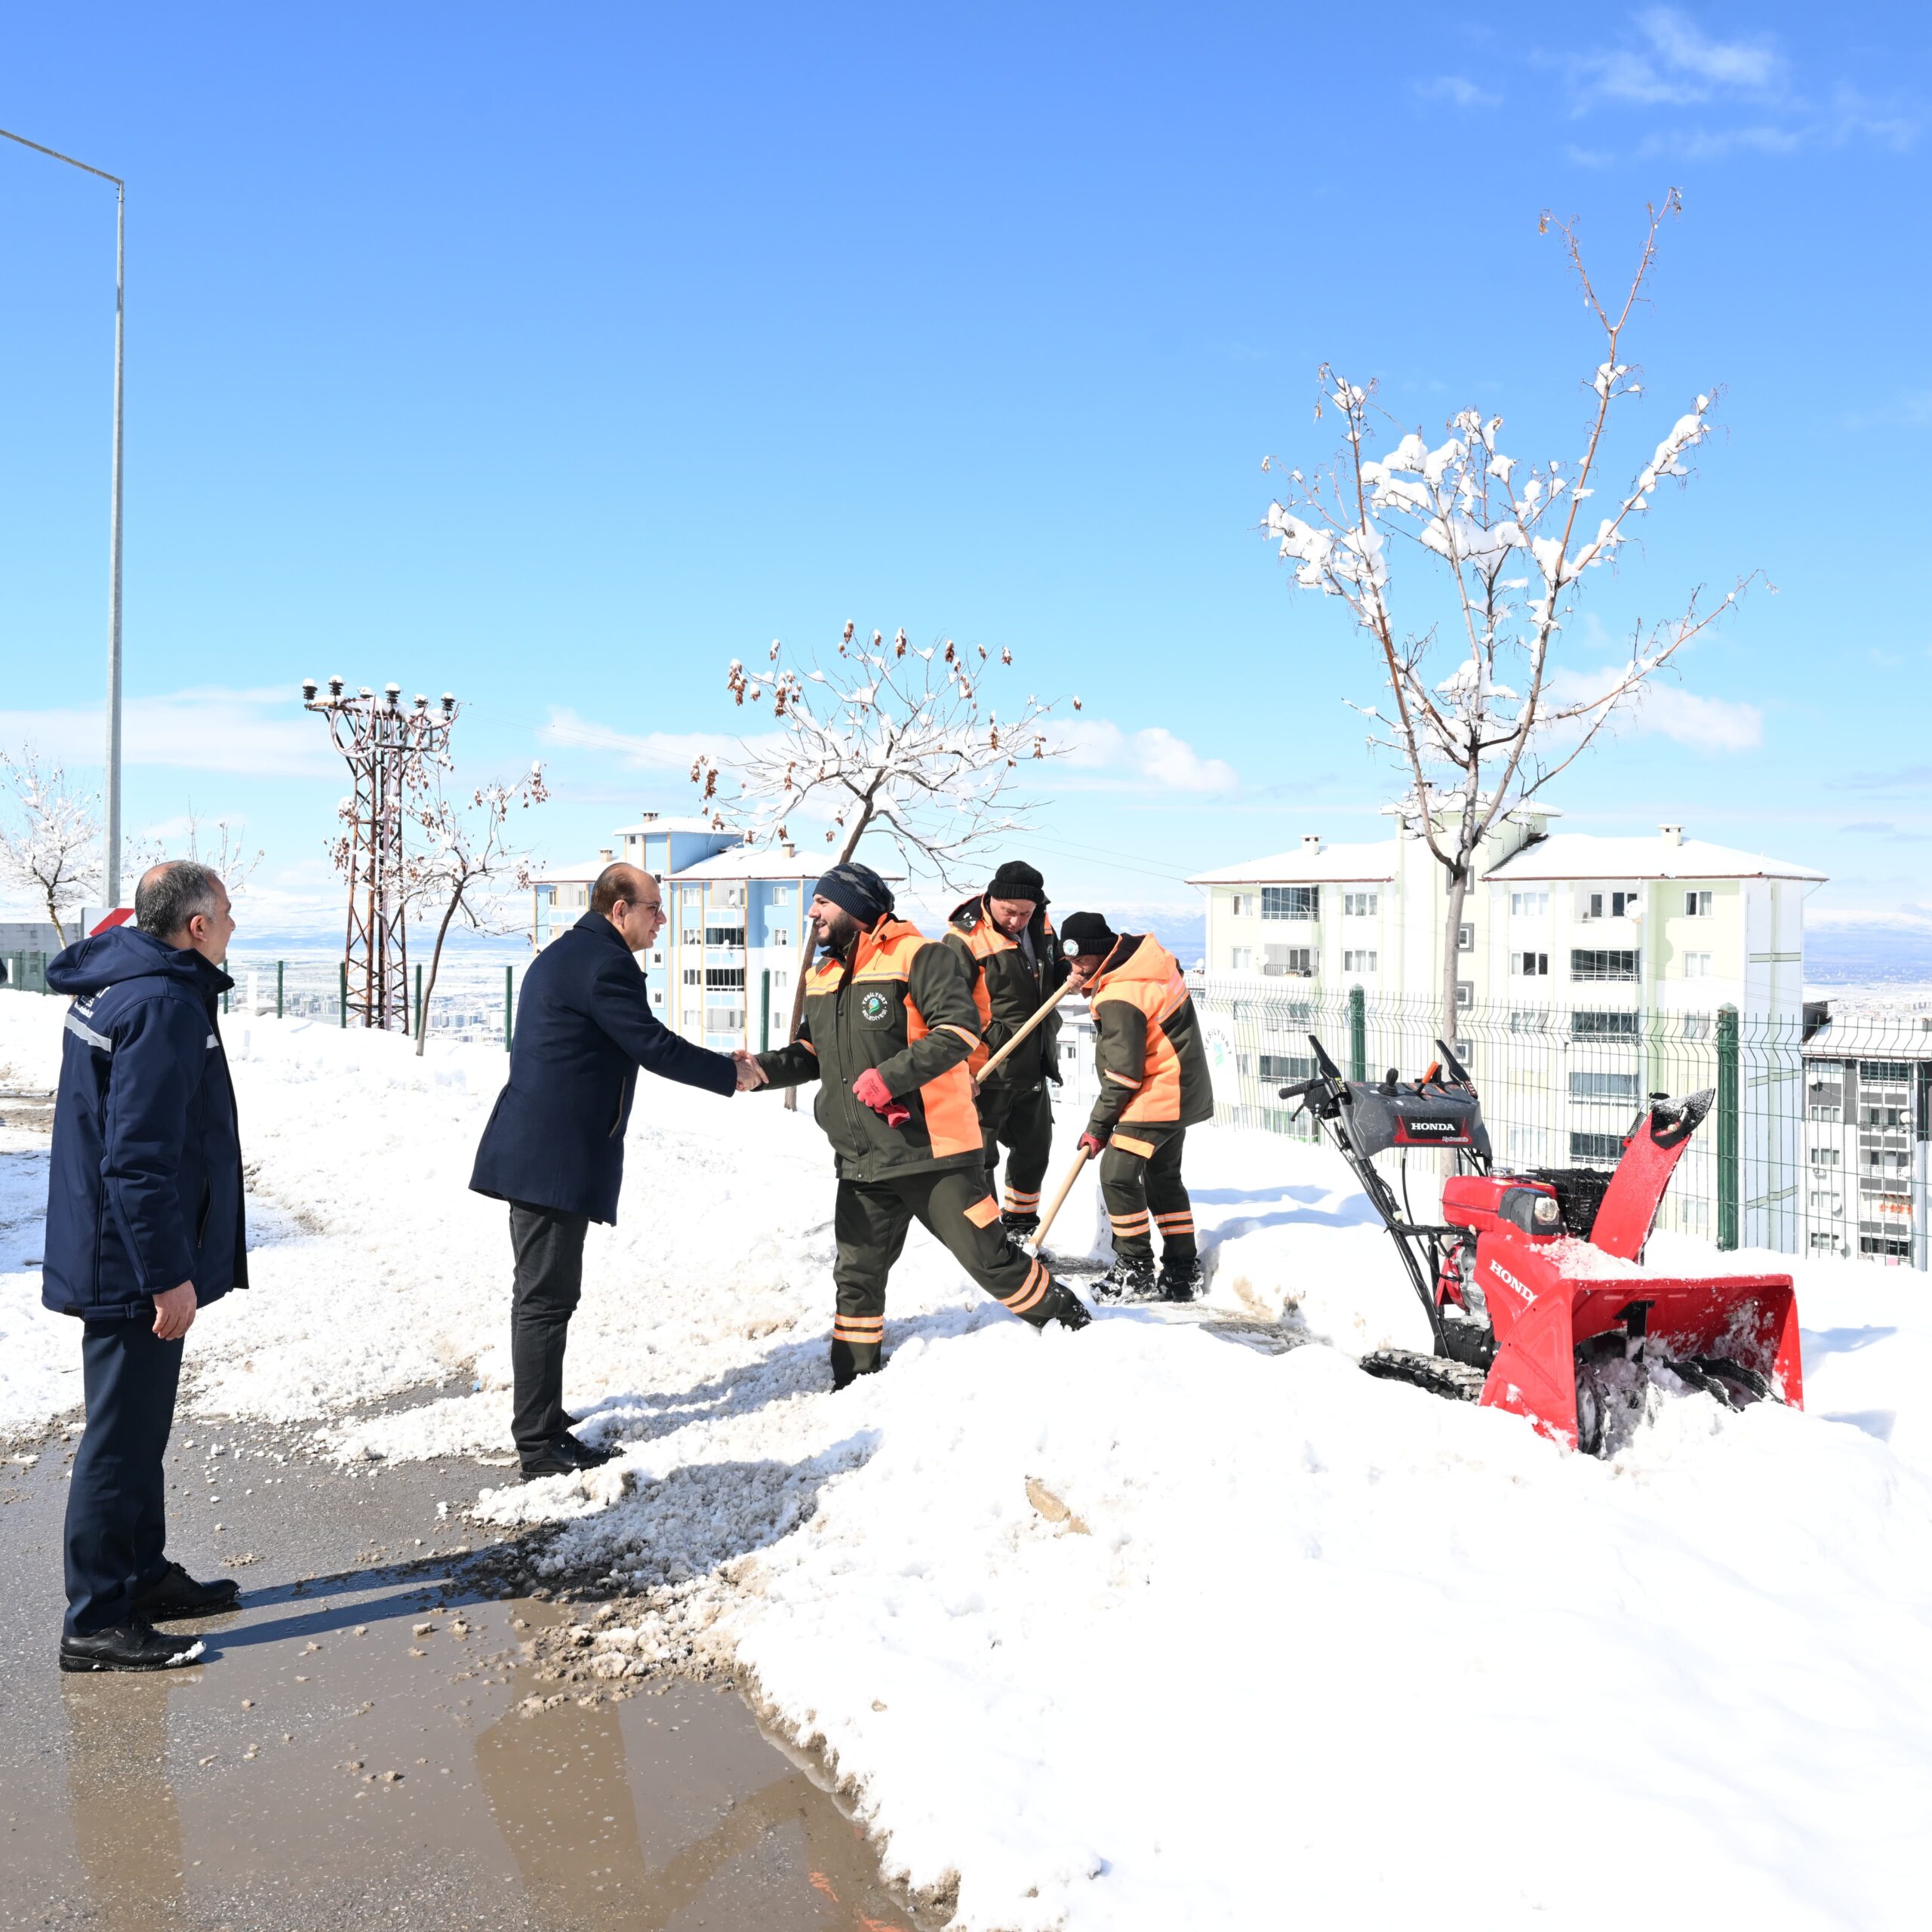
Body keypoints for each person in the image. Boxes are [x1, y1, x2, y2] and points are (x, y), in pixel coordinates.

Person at [470, 862, 763, 1479]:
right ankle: (538, 1444)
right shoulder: (605, 964)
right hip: (551, 1157)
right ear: (618, 910)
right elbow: (650, 1045)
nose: (662, 919)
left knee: (547, 1294)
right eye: (654, 908)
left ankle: (544, 1420)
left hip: (542, 1148)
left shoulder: (573, 953)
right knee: (546, 1299)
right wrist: (727, 1073)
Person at [753, 860, 1089, 1388]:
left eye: (823, 901)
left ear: (857, 906)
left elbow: (957, 1030)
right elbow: (811, 1052)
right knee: (856, 1277)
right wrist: (757, 1071)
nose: (812, 911)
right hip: (864, 1159)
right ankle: (853, 1380)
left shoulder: (920, 956)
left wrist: (888, 1079)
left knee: (992, 1261)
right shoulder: (823, 974)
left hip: (936, 1153)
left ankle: (1082, 1331)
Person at [45, 861, 246, 1672]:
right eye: (226, 912)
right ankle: (95, 1617)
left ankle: (140, 1574)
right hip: (127, 1259)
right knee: (120, 1439)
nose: (234, 923)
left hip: (116, 1245)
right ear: (194, 925)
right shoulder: (161, 1000)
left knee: (138, 1430)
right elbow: (139, 1159)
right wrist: (167, 1273)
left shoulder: (134, 976)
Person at [1060, 912, 1214, 1303]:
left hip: (1158, 1092)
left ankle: (1135, 1269)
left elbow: (1124, 1075)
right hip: (1180, 1087)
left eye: (1081, 962)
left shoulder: (1119, 995)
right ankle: (1182, 1271)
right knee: (1163, 1178)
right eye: (1070, 962)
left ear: (1100, 954)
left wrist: (1098, 1127)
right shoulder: (1144, 963)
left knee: (1117, 1175)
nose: (1075, 970)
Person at [943, 860, 1069, 1240]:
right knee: (981, 1159)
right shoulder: (963, 939)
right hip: (986, 1068)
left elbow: (1056, 968)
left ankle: (1020, 1231)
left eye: (1024, 913)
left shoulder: (1042, 924)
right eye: (1008, 912)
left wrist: (1075, 973)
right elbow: (947, 1010)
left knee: (1034, 1151)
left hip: (1033, 1060)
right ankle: (987, 1242)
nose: (1016, 921)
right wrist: (960, 1068)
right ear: (991, 898)